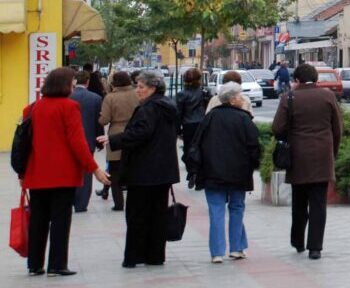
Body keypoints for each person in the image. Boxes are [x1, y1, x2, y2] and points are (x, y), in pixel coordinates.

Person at [21, 67, 110, 277]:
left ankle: (34, 264)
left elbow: (23, 143)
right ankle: (57, 264)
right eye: (71, 82)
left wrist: (21, 173)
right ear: (64, 84)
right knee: (61, 220)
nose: (73, 86)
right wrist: (94, 168)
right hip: (63, 174)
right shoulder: (69, 107)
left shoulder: (32, 108)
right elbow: (78, 143)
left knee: (38, 219)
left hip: (36, 173)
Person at [98, 70, 180, 269]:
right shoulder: (168, 105)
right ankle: (155, 255)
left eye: (141, 87)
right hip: (163, 170)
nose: (138, 90)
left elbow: (140, 133)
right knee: (157, 214)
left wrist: (114, 139)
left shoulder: (149, 108)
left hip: (144, 171)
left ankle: (134, 256)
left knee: (136, 214)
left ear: (153, 88)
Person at [271, 63, 343, 260]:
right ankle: (315, 248)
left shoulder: (289, 97)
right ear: (316, 79)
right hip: (322, 156)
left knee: (299, 202)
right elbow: (337, 129)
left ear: (296, 80)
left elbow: (277, 128)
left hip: (297, 157)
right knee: (319, 203)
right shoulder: (328, 96)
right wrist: (332, 153)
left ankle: (298, 241)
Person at [185, 83, 260, 263]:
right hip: (238, 172)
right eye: (240, 96)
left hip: (212, 172)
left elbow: (196, 144)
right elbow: (254, 147)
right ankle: (236, 248)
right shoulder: (244, 119)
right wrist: (253, 165)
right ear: (233, 99)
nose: (242, 99)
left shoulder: (210, 117)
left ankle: (217, 252)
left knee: (216, 211)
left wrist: (197, 168)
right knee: (236, 208)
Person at [98, 71, 141, 211]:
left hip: (115, 135)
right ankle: (136, 202)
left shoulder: (110, 97)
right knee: (135, 169)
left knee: (115, 172)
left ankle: (118, 203)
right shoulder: (137, 94)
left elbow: (104, 120)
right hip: (134, 133)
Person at [69, 70, 103, 213]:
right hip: (88, 139)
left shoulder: (68, 96)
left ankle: (69, 199)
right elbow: (99, 121)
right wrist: (99, 140)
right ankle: (81, 204)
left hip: (69, 141)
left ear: (75, 81)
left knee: (69, 170)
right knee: (86, 172)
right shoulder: (95, 98)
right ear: (87, 81)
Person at [176, 68, 210, 179]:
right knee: (201, 148)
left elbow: (179, 113)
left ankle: (191, 170)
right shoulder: (203, 93)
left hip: (188, 125)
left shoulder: (181, 94)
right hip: (202, 123)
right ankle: (199, 173)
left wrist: (178, 129)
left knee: (189, 148)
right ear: (199, 80)